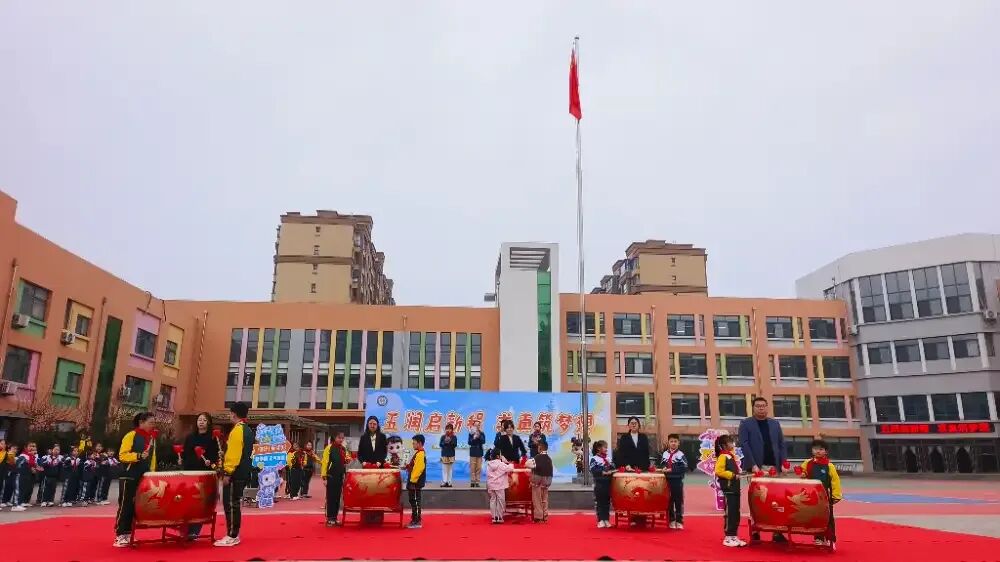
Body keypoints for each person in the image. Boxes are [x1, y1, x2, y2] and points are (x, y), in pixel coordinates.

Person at [738, 397, 788, 543]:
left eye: (763, 406)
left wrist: (784, 463)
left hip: (774, 468)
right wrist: (752, 464)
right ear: (753, 408)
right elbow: (744, 445)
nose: (761, 408)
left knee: (777, 499)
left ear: (767, 407)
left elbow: (781, 444)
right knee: (757, 499)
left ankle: (777, 532)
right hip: (757, 468)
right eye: (758, 406)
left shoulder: (774, 424)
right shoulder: (746, 424)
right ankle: (756, 530)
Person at [113, 413, 157, 546]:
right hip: (129, 475)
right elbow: (122, 455)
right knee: (125, 505)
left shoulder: (151, 438)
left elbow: (152, 458)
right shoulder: (131, 435)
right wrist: (138, 456)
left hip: (143, 476)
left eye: (153, 422)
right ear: (141, 422)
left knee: (136, 506)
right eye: (150, 422)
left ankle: (128, 534)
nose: (153, 425)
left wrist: (152, 473)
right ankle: (120, 534)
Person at [216, 401, 253, 547]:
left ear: (234, 414)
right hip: (243, 472)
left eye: (230, 413)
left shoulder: (237, 430)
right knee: (234, 503)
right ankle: (233, 534)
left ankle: (232, 535)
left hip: (235, 473)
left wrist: (227, 472)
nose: (229, 415)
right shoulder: (247, 430)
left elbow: (234, 454)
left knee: (231, 504)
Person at [183, 412, 221, 539]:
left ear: (208, 423)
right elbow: (185, 454)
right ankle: (185, 528)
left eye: (204, 420)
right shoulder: (190, 437)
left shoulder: (213, 439)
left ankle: (194, 530)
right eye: (199, 420)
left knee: (200, 502)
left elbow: (215, 456)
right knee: (188, 502)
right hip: (190, 473)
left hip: (204, 474)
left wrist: (211, 462)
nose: (201, 422)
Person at [799, 439, 842, 546]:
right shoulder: (807, 463)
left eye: (821, 449)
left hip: (825, 496)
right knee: (815, 517)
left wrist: (836, 496)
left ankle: (830, 539)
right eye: (815, 449)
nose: (818, 451)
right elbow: (802, 473)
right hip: (811, 495)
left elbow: (835, 481)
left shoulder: (829, 466)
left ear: (826, 452)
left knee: (828, 518)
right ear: (812, 450)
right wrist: (802, 474)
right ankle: (818, 538)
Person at [714, 434, 745, 548]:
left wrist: (739, 474)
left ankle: (734, 536)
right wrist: (732, 475)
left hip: (735, 488)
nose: (733, 444)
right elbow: (719, 471)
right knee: (730, 513)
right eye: (731, 442)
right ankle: (728, 537)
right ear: (724, 445)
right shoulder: (723, 456)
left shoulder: (730, 456)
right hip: (729, 489)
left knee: (736, 513)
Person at [321, 431, 350, 527]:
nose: (341, 439)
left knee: (337, 498)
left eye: (342, 438)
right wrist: (324, 477)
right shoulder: (329, 448)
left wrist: (348, 459)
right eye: (339, 438)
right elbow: (325, 462)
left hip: (340, 476)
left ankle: (335, 518)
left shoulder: (343, 448)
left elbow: (346, 458)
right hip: (331, 476)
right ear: (334, 437)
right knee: (331, 497)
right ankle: (329, 519)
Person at [660, 433, 688, 529]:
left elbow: (684, 467)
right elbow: (662, 465)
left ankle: (679, 521)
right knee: (669, 501)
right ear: (668, 443)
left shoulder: (681, 454)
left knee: (678, 501)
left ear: (678, 443)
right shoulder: (665, 454)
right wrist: (663, 468)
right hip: (667, 481)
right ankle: (671, 520)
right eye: (671, 441)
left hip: (677, 480)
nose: (673, 443)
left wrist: (671, 470)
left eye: (675, 441)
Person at [590, 440, 615, 528]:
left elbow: (613, 468)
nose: (606, 449)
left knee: (607, 502)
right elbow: (593, 470)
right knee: (600, 502)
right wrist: (603, 472)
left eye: (606, 447)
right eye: (605, 447)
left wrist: (612, 471)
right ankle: (600, 520)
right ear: (598, 448)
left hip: (608, 483)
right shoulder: (594, 459)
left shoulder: (608, 459)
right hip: (599, 483)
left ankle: (606, 519)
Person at [486, 448, 513, 524]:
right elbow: (510, 468)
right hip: (499, 485)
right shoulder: (501, 464)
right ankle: (499, 517)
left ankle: (494, 517)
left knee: (493, 500)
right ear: (498, 456)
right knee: (501, 501)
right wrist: (506, 462)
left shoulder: (489, 464)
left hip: (491, 485)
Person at [405, 434, 426, 529]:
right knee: (413, 501)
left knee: (416, 502)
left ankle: (417, 521)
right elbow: (414, 466)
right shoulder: (418, 453)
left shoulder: (420, 454)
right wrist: (408, 467)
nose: (413, 445)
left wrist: (412, 481)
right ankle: (414, 519)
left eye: (414, 443)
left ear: (419, 443)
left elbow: (419, 469)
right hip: (414, 483)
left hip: (415, 483)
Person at [11, 442, 39, 512]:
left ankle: (19, 503)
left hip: (26, 475)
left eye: (32, 446)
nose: (31, 448)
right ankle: (15, 505)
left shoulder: (30, 456)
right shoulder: (23, 455)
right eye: (30, 446)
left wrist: (34, 467)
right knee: (18, 489)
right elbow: (18, 465)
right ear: (26, 447)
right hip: (20, 475)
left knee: (22, 489)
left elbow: (32, 464)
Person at [530, 441, 553, 523]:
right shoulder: (549, 459)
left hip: (538, 480)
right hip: (547, 480)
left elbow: (528, 464)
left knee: (537, 499)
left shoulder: (537, 457)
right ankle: (545, 516)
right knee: (544, 499)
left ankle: (539, 517)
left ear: (540, 448)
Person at [467, 421, 485, 488]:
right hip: (473, 451)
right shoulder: (471, 433)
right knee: (472, 467)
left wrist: (479, 436)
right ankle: (472, 481)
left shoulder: (482, 433)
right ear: (473, 426)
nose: (477, 426)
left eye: (478, 425)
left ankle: (477, 482)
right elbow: (469, 442)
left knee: (478, 468)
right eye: (475, 425)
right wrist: (473, 438)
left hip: (479, 451)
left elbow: (483, 441)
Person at [439, 423, 457, 487]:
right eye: (447, 429)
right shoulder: (443, 437)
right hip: (444, 454)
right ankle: (444, 481)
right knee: (444, 469)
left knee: (450, 469)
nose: (448, 430)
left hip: (451, 454)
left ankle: (449, 482)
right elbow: (440, 444)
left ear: (452, 430)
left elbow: (455, 445)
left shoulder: (454, 437)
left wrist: (450, 441)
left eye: (450, 429)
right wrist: (445, 442)